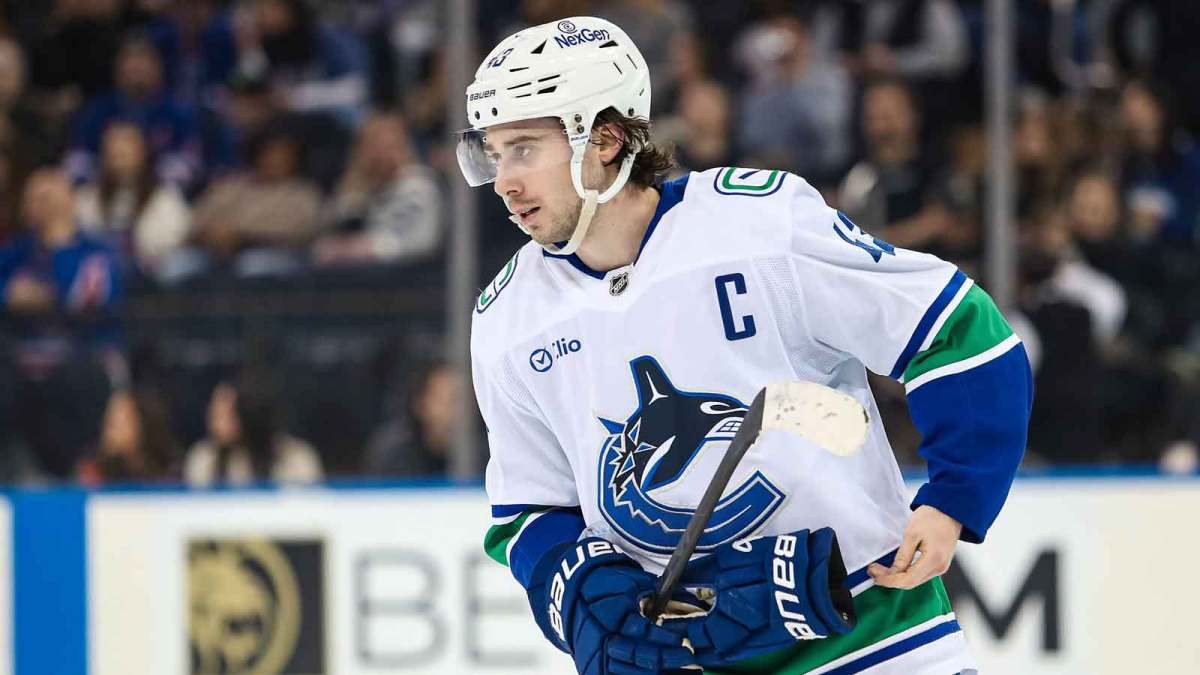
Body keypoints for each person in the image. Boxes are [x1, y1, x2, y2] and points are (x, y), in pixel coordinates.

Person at [460, 16, 1031, 675]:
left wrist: (954, 498)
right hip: (688, 660)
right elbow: (529, 510)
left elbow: (956, 331)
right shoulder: (507, 319)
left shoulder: (757, 225)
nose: (504, 180)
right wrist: (581, 588)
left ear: (607, 139)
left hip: (874, 638)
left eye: (525, 149)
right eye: (493, 154)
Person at [313, 111, 442, 266]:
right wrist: (354, 191)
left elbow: (418, 244)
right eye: (372, 146)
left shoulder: (417, 186)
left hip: (412, 277)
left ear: (403, 148)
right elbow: (331, 229)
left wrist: (355, 249)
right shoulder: (361, 185)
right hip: (365, 275)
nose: (380, 155)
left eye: (389, 146)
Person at [75, 121, 192, 278]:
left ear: (142, 151)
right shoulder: (87, 198)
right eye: (113, 147)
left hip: (152, 273)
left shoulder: (165, 197)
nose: (118, 149)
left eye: (126, 145)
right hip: (100, 273)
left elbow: (177, 236)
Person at [183, 375, 322, 486]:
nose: (213, 421)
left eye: (225, 415)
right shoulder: (204, 458)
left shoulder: (296, 457)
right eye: (213, 412)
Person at [77, 386, 180, 485]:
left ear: (144, 424)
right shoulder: (91, 475)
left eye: (120, 419)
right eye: (109, 418)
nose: (109, 427)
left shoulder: (170, 478)